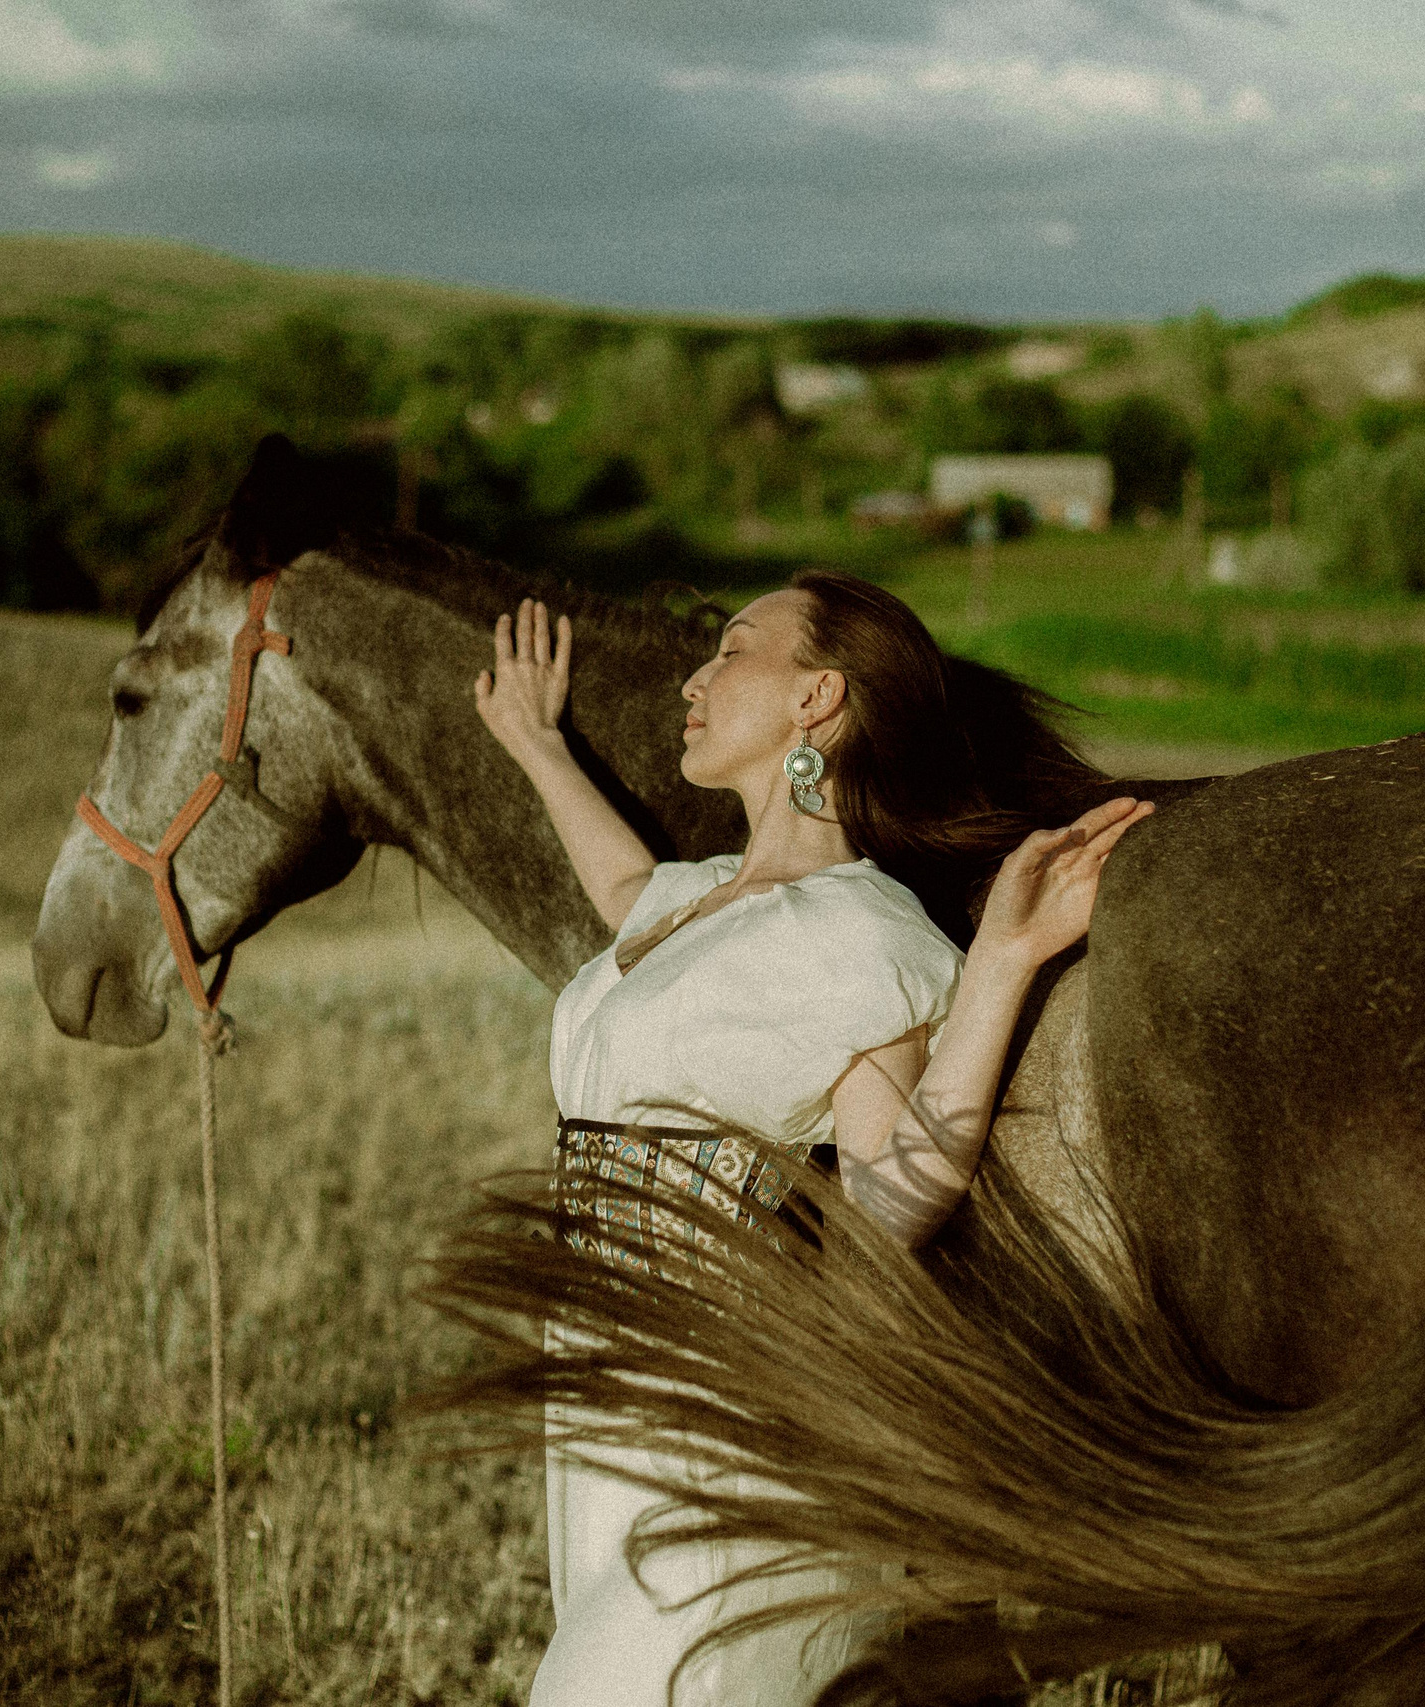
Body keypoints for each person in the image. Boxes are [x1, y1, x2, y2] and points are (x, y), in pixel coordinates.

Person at [472, 570, 1151, 1707]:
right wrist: (536, 744)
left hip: (729, 1397)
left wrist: (997, 964)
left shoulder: (859, 931)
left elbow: (892, 1195)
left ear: (816, 699)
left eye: (731, 650)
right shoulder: (687, 900)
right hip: (606, 1386)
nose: (693, 678)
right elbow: (624, 884)